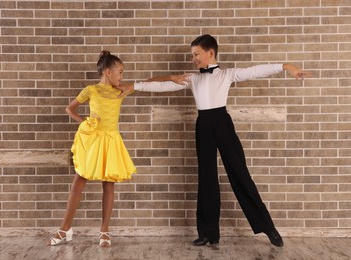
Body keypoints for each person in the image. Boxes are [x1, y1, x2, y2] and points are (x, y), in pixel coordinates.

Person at [116, 34, 313, 247]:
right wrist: (133, 85)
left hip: (222, 123)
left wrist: (286, 66)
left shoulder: (227, 74)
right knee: (207, 178)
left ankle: (268, 227)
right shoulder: (193, 78)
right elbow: (163, 86)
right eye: (192, 55)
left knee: (240, 174)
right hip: (203, 125)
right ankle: (209, 233)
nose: (193, 59)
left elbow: (255, 70)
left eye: (196, 54)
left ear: (211, 53)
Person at [48, 50, 136, 247]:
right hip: (93, 141)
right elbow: (70, 108)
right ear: (107, 72)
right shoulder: (91, 90)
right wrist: (84, 122)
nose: (123, 76)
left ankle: (104, 231)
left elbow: (148, 84)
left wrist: (173, 77)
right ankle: (64, 229)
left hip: (111, 141)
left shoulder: (120, 90)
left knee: (108, 184)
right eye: (120, 72)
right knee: (78, 182)